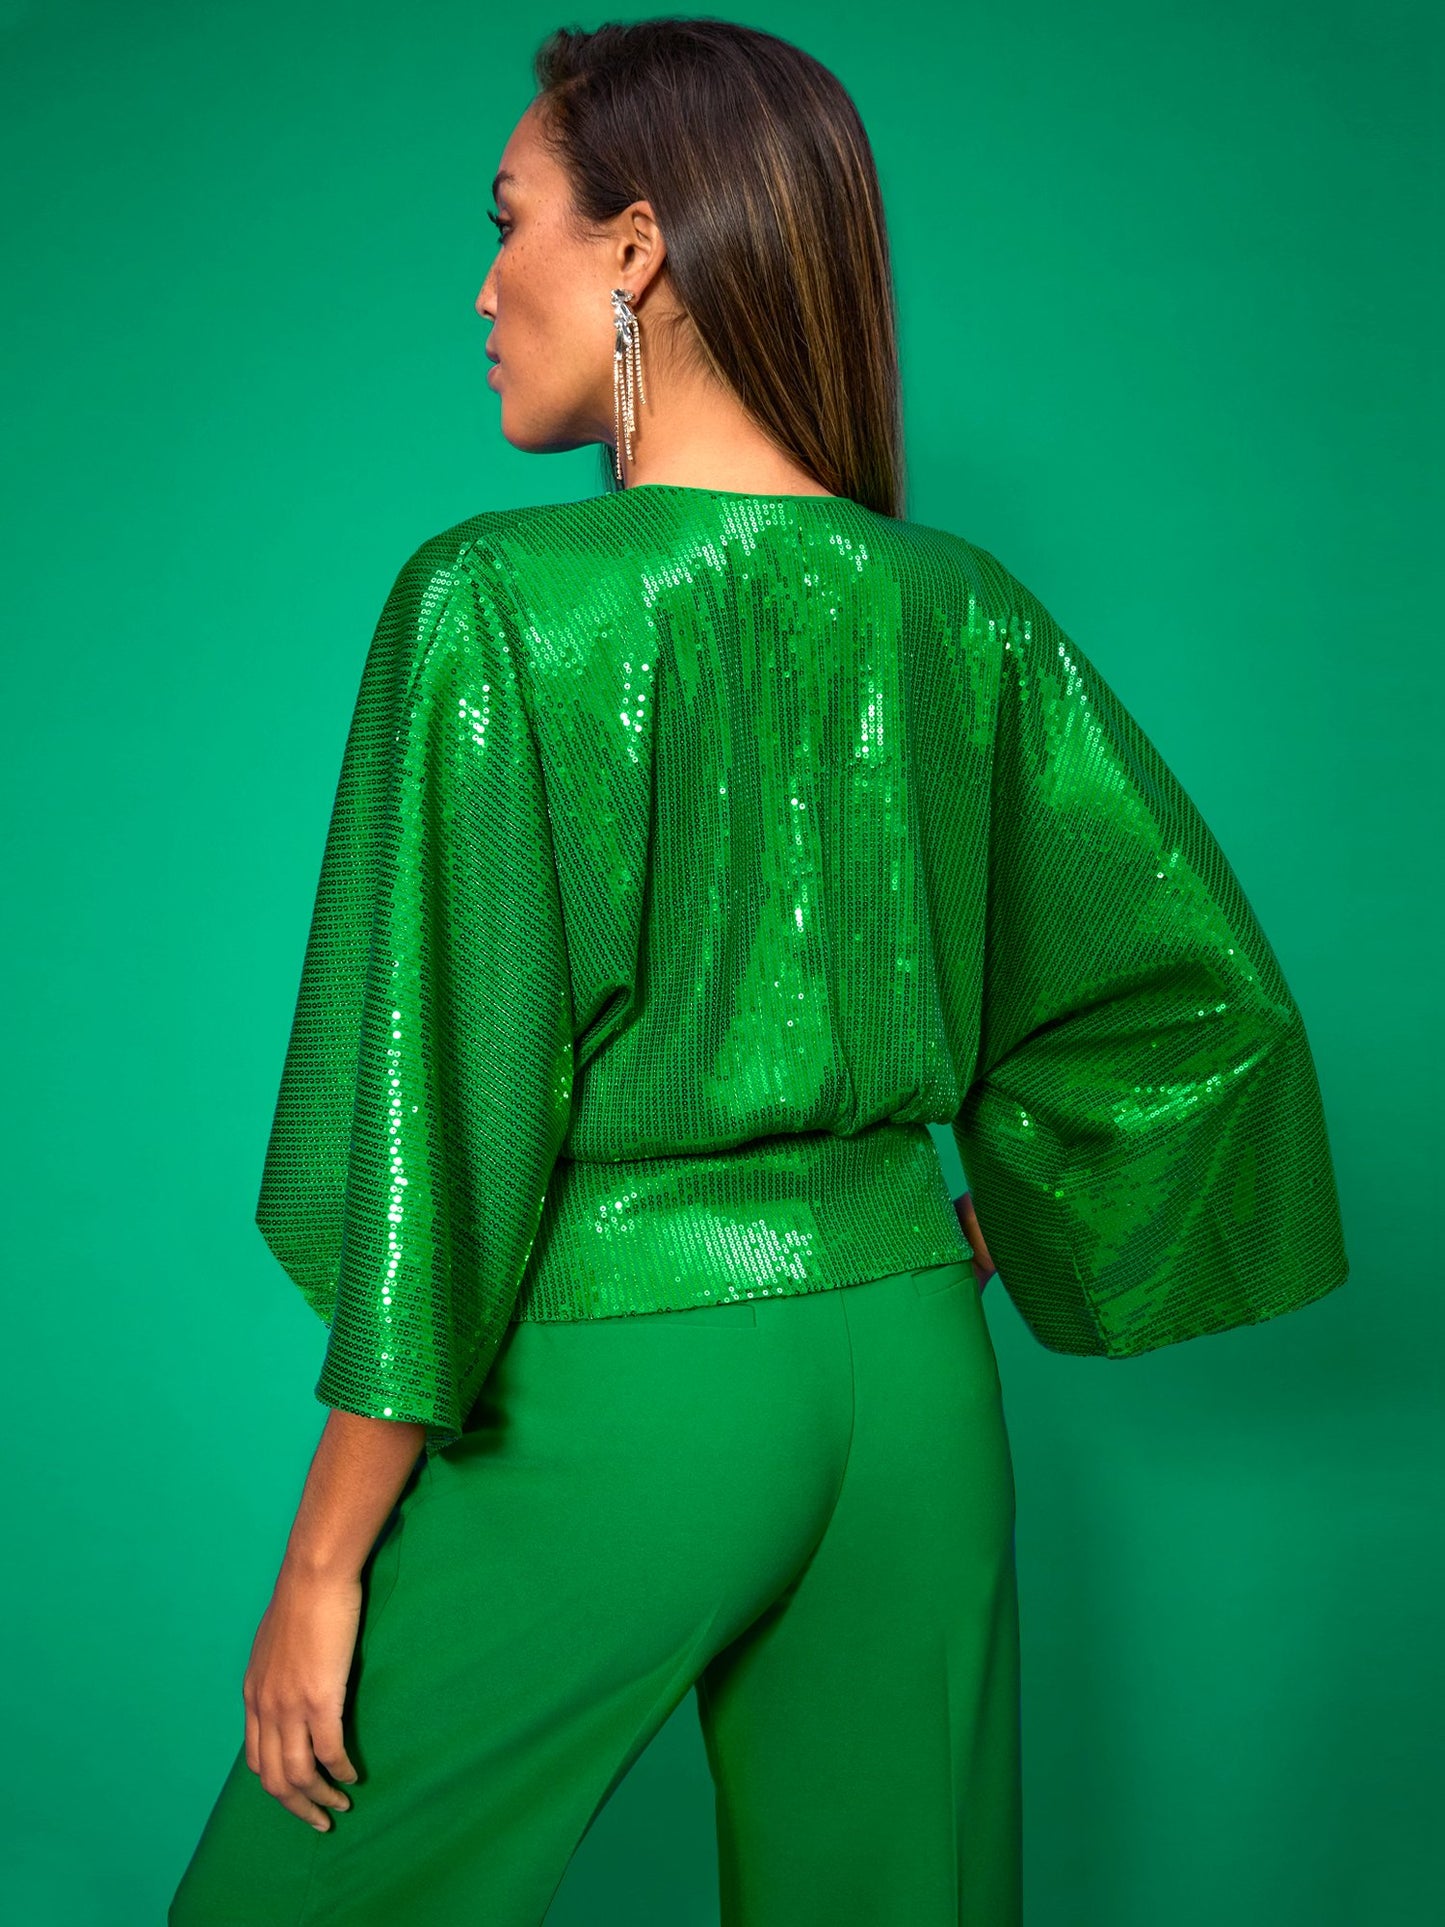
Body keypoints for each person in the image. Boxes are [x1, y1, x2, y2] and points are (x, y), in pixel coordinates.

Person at [168, 18, 1349, 1926]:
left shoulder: (497, 600)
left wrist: (322, 1565)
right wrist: (974, 1227)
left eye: (509, 222)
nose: (481, 287)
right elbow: (1197, 1002)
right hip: (912, 1371)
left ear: (634, 249)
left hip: (630, 1375)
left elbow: (445, 1121)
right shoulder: (960, 610)